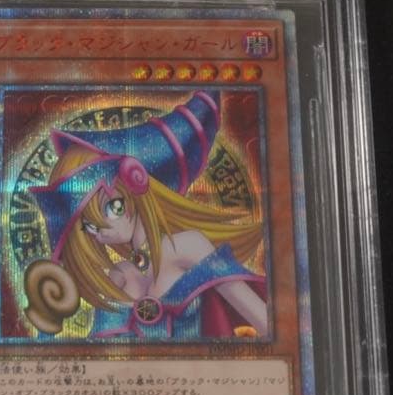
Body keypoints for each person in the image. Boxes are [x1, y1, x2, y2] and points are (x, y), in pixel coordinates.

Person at [24, 90, 268, 339]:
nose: (102, 232)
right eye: (90, 226)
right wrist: (47, 322)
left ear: (136, 185)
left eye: (112, 208)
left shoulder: (187, 246)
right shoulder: (119, 275)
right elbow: (100, 352)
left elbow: (264, 321)